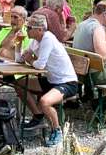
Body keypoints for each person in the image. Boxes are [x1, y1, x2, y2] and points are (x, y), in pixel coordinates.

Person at [19, 12, 78, 147]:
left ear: (39, 29)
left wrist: (30, 59)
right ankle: (38, 116)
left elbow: (40, 65)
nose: (26, 30)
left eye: (29, 28)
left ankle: (56, 130)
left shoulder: (47, 39)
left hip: (67, 82)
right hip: (51, 80)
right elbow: (21, 58)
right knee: (19, 84)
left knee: (45, 101)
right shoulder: (35, 41)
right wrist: (19, 45)